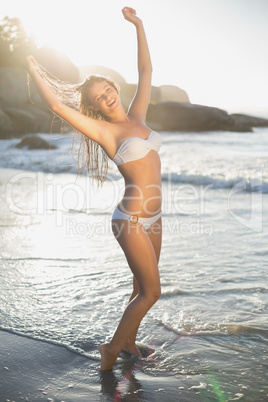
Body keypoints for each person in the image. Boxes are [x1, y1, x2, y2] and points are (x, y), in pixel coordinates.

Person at [24, 6, 162, 371]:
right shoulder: (105, 132)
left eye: (108, 89)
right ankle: (111, 350)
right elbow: (56, 104)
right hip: (130, 219)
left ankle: (128, 340)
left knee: (140, 289)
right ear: (96, 107)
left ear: (115, 89)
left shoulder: (138, 116)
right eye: (100, 97)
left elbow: (146, 70)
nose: (107, 97)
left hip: (155, 217)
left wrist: (139, 25)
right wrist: (34, 69)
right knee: (152, 292)